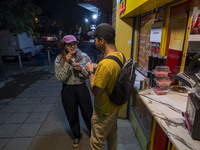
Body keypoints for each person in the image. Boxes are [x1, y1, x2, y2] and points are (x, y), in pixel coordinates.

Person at [85, 23, 124, 150]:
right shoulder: (119, 55)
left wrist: (91, 71)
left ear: (102, 40)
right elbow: (112, 75)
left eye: (95, 39)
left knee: (96, 142)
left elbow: (96, 91)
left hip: (104, 111)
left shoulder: (105, 64)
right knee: (112, 135)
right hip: (115, 106)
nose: (94, 42)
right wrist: (98, 68)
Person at [54, 35, 93, 148]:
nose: (72, 46)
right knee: (71, 114)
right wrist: (66, 63)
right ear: (64, 46)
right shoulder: (59, 59)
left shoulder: (84, 57)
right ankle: (76, 135)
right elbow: (60, 77)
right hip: (68, 89)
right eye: (69, 44)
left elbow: (89, 74)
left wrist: (81, 69)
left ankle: (93, 134)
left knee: (88, 112)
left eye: (74, 44)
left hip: (81, 87)